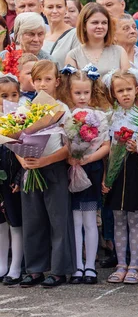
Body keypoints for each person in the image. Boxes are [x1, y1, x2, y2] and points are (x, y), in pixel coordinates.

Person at [18, 60, 74, 289]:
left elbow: (71, 146)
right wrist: (23, 159)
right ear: (32, 81)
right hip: (30, 169)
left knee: (58, 219)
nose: (43, 84)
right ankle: (35, 269)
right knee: (32, 219)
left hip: (53, 168)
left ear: (57, 81)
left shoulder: (62, 109)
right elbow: (14, 137)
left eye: (48, 79)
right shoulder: (25, 109)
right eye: (38, 79)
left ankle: (59, 270)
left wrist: (45, 160)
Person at [59, 66, 110, 285]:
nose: (82, 97)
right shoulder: (65, 115)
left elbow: (106, 145)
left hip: (91, 168)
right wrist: (70, 156)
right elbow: (61, 142)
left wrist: (88, 158)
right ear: (69, 92)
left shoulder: (99, 116)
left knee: (90, 220)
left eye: (85, 93)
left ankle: (90, 266)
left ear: (92, 92)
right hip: (71, 169)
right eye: (77, 93)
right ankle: (77, 266)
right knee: (74, 220)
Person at [102, 69, 138, 285]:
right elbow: (106, 149)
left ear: (137, 90)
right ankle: (121, 263)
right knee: (118, 218)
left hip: (135, 172)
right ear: (113, 93)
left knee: (134, 218)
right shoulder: (110, 117)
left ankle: (134, 264)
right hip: (115, 172)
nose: (125, 94)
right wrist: (106, 178)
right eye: (120, 90)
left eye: (128, 89)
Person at [0, 75, 24, 285]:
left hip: (12, 182)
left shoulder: (23, 119)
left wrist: (18, 177)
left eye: (14, 94)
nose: (9, 99)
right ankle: (2, 265)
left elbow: (24, 154)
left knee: (16, 223)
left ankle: (16, 266)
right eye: (4, 95)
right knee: (0, 224)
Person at [64, 3, 129, 75]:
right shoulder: (73, 56)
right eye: (95, 23)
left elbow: (127, 82)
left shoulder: (119, 52)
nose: (100, 26)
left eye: (104, 23)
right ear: (84, 26)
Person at [41, 0, 79, 68]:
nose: (55, 11)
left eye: (59, 7)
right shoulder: (40, 36)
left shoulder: (75, 35)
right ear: (43, 9)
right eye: (50, 7)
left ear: (66, 9)